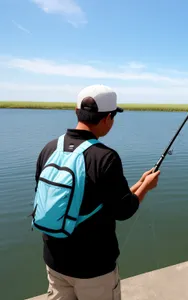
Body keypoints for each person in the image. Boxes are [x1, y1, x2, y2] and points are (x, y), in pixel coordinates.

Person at [33, 84, 161, 300]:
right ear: (107, 119)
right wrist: (147, 187)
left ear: (76, 112)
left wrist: (139, 183)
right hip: (93, 269)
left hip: (54, 262)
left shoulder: (49, 148)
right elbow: (123, 210)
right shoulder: (105, 157)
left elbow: (96, 201)